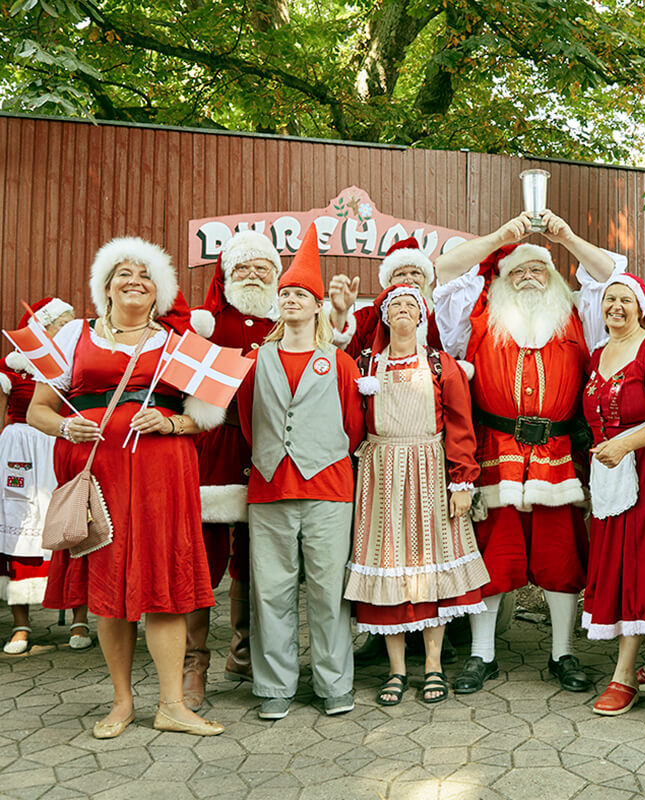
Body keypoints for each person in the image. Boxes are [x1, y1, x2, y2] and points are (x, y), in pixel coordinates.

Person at [28, 237, 224, 738]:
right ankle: (121, 702)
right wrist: (65, 427)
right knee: (111, 586)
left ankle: (173, 705)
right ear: (105, 286)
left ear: (159, 290)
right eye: (124, 274)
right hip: (100, 478)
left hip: (162, 478)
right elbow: (39, 410)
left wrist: (171, 422)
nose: (134, 281)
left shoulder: (178, 344)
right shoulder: (73, 336)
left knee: (163, 587)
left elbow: (206, 418)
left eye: (145, 275)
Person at [433, 210, 618, 694]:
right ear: (500, 282)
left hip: (558, 452)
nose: (529, 277)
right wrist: (500, 237)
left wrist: (567, 235)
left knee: (561, 561)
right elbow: (446, 271)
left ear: (554, 279)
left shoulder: (579, 316)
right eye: (517, 271)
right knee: (493, 558)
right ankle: (482, 655)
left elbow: (608, 275)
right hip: (495, 452)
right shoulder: (475, 318)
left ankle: (563, 653)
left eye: (539, 269)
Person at [236, 224, 365, 720]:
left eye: (301, 295)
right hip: (269, 488)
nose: (291, 300)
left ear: (317, 307)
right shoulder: (255, 361)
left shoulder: (341, 362)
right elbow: (248, 421)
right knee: (270, 591)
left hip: (329, 489)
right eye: (284, 293)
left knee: (329, 591)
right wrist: (275, 455)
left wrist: (319, 452)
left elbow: (353, 425)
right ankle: (274, 687)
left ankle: (334, 682)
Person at [345, 283, 486, 706]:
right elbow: (350, 422)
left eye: (411, 304)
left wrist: (462, 482)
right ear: (385, 317)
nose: (403, 310)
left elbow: (461, 425)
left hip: (429, 469)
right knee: (388, 566)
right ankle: (395, 669)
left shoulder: (441, 365)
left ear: (423, 316)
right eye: (395, 305)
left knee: (429, 568)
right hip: (380, 473)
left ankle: (433, 665)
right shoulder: (365, 364)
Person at [182, 230, 281, 709]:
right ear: (225, 275)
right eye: (243, 267)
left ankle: (242, 652)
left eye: (263, 267)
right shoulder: (205, 323)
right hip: (214, 449)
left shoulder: (288, 322)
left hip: (266, 452)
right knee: (202, 557)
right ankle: (192, 663)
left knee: (258, 560)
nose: (253, 275)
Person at [582, 273, 645, 715]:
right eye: (609, 299)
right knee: (621, 564)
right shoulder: (597, 354)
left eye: (625, 299)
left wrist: (623, 444)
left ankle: (624, 675)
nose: (616, 306)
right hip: (609, 474)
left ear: (641, 306)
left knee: (640, 566)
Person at [1, 298, 89, 655]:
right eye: (61, 324)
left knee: (69, 521)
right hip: (18, 452)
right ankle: (21, 624)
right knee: (18, 525)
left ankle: (80, 617)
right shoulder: (9, 371)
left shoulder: (72, 363)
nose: (68, 330)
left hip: (58, 443)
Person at [331, 237, 442, 371]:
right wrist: (340, 313)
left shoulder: (439, 317)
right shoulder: (367, 317)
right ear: (389, 282)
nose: (409, 279)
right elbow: (343, 352)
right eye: (400, 274)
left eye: (415, 273)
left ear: (425, 279)